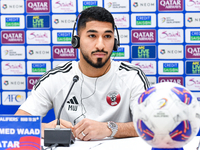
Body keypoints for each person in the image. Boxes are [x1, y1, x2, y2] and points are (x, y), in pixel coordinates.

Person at [15, 6, 150, 141]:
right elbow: (15, 125)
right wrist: (44, 128)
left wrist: (110, 128)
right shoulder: (56, 78)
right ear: (77, 41)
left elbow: (150, 126)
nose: (100, 45)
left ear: (115, 42)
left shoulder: (133, 76)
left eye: (107, 36)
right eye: (92, 36)